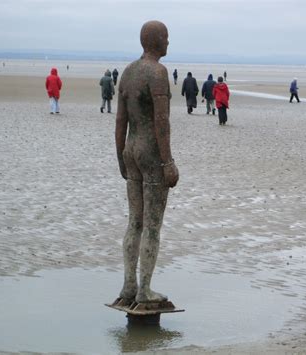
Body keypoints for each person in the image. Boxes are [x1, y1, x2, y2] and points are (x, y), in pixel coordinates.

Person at [115, 20, 179, 304]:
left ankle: (128, 285)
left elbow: (120, 121)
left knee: (134, 222)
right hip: (151, 154)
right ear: (155, 40)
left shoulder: (128, 72)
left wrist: (120, 156)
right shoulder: (157, 72)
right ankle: (143, 289)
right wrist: (168, 163)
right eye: (165, 37)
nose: (168, 42)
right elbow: (161, 121)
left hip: (131, 150)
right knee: (152, 225)